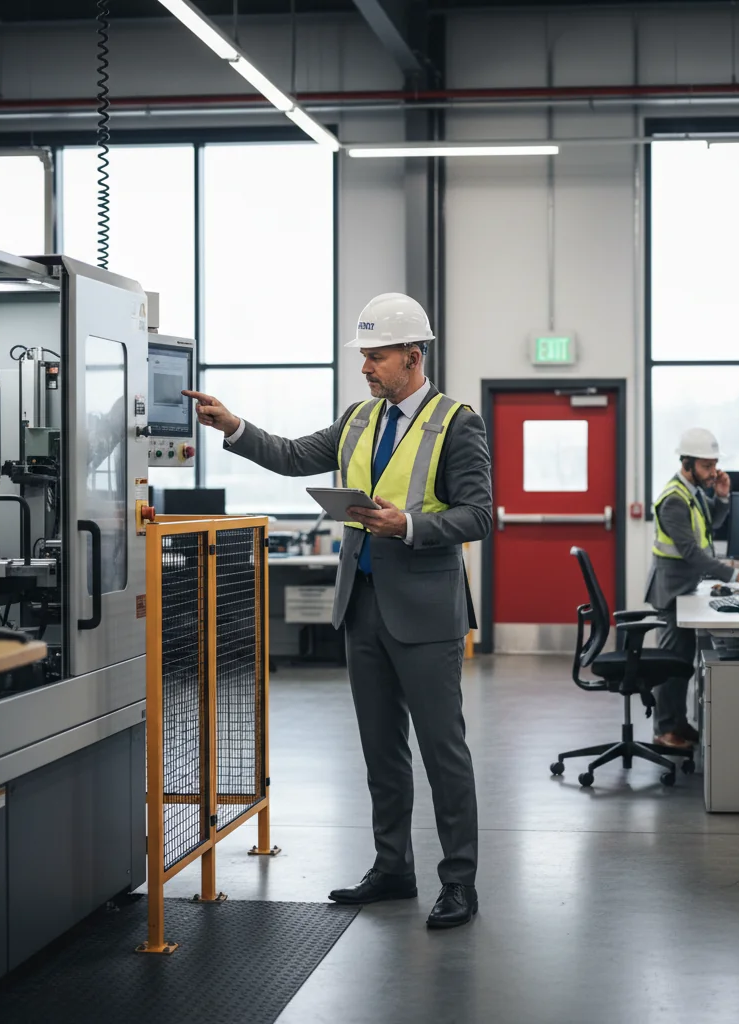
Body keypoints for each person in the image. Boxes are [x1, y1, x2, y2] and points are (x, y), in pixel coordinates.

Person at [182, 292, 492, 930]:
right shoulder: (359, 419)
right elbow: (296, 456)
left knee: (443, 751)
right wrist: (232, 425)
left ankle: (459, 881)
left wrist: (407, 523)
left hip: (426, 614)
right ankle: (392, 867)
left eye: (377, 357)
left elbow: (480, 514)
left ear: (413, 357)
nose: (366, 367)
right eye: (364, 357)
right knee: (381, 751)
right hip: (364, 607)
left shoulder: (457, 422)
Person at [645, 428, 739, 750]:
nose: (713, 472)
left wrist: (721, 496)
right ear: (687, 462)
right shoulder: (674, 500)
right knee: (672, 663)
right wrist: (735, 576)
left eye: (714, 465)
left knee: (682, 662)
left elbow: (712, 527)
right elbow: (692, 553)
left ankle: (679, 724)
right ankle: (665, 730)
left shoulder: (691, 491)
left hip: (686, 587)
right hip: (672, 591)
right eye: (707, 466)